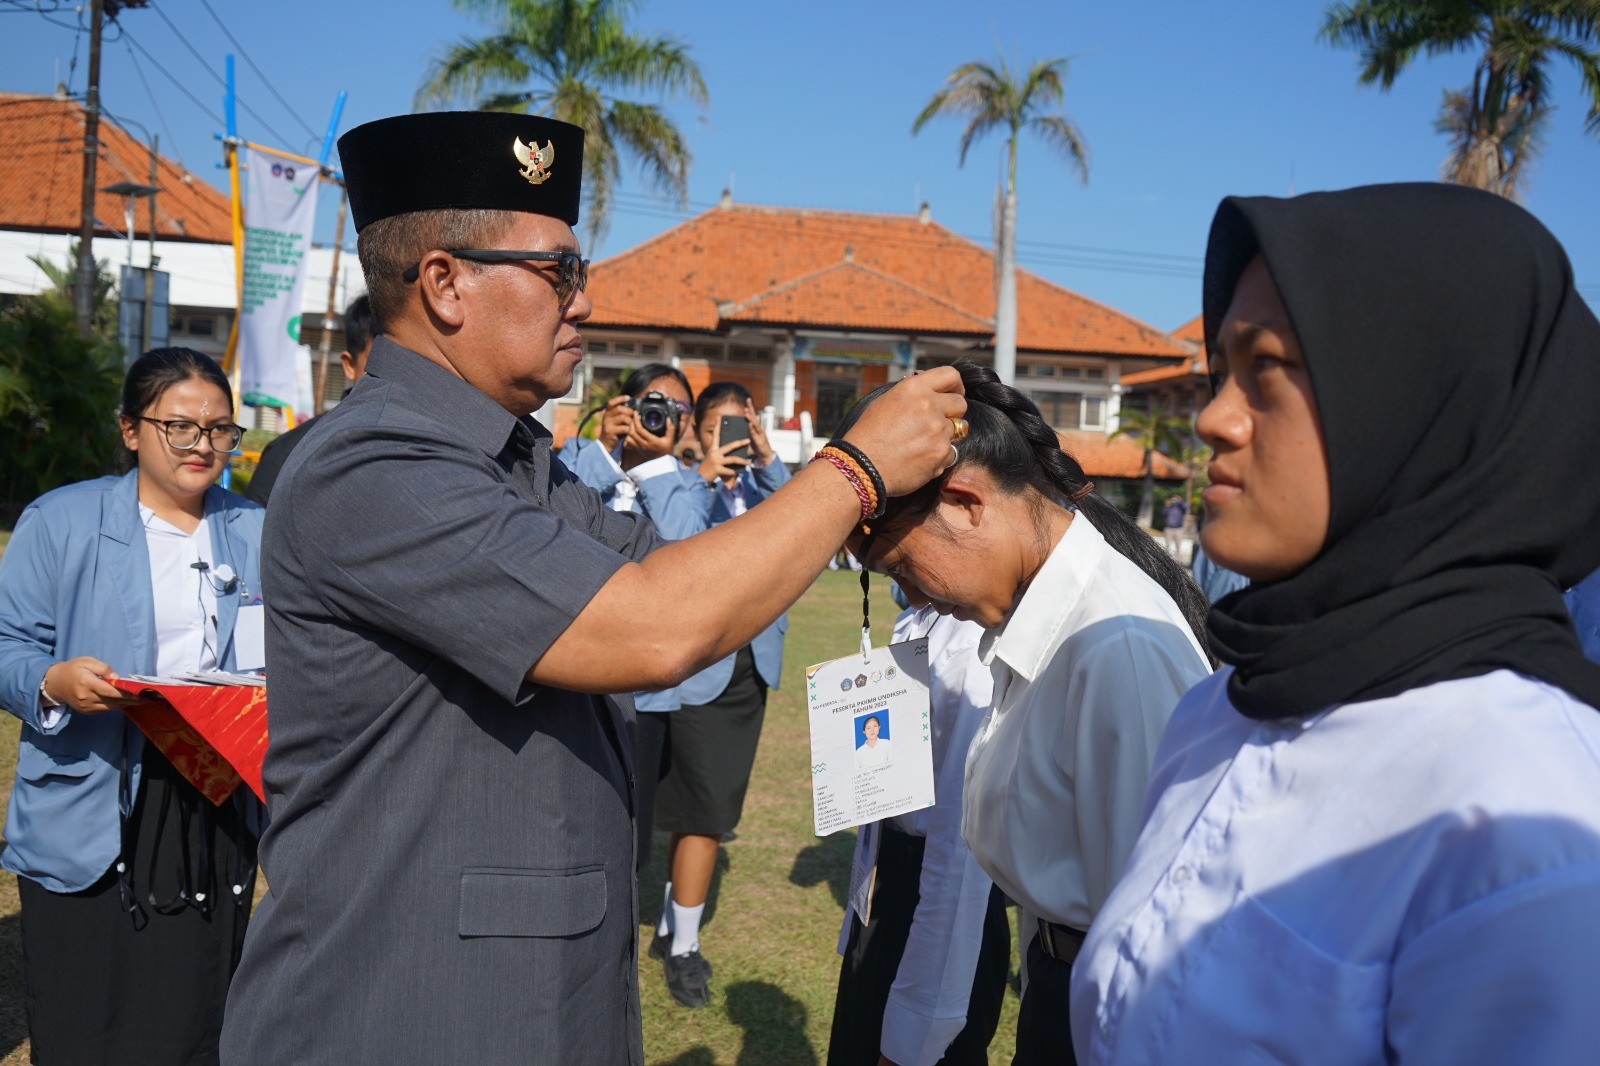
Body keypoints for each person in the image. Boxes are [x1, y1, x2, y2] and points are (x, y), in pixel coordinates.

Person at [218, 110, 965, 1066]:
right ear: (444, 283)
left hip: (539, 999)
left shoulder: (524, 460)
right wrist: (857, 467)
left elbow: (691, 572)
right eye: (558, 273)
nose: (584, 302)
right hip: (408, 1007)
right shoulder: (372, 464)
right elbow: (654, 626)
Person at [1070, 184, 1600, 1065]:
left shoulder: (1525, 815)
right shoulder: (1216, 713)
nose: (1211, 418)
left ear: (1419, 400)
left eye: (1267, 368)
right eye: (1217, 375)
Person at [840, 360, 1212, 1065]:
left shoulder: (1113, 648)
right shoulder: (1043, 621)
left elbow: (1152, 940)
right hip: (1063, 981)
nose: (915, 599)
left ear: (965, 501)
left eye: (903, 569)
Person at [0, 347, 265, 1064]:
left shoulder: (258, 530)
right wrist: (53, 682)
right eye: (179, 427)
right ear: (130, 430)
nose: (202, 445)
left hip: (211, 794)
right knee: (85, 1007)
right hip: (91, 791)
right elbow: (6, 644)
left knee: (194, 1011)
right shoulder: (61, 521)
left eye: (218, 430)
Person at [643, 380, 793, 1008]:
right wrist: (702, 471)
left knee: (712, 808)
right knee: (702, 811)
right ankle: (683, 948)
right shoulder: (673, 480)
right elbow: (676, 536)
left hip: (750, 669)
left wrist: (766, 455)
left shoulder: (761, 487)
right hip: (698, 666)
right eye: (715, 429)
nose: (726, 439)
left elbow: (804, 522)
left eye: (740, 426)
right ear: (693, 429)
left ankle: (675, 928)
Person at [828, 605, 1009, 1066]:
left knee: (921, 1048)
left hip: (941, 889)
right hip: (888, 876)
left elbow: (958, 845)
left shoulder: (974, 645)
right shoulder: (916, 617)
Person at [560, 363, 710, 879]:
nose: (659, 415)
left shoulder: (691, 485)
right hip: (571, 669)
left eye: (675, 410)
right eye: (649, 403)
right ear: (620, 407)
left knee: (629, 828)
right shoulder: (582, 460)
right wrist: (605, 454)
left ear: (687, 424)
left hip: (645, 690)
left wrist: (656, 468)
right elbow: (550, 517)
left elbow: (687, 549)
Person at [245, 293, 376, 505]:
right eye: (380, 362)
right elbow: (254, 532)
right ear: (348, 365)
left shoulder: (441, 447)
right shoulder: (289, 456)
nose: (397, 374)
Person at [1160, 493, 1186, 558]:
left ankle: (1178, 562)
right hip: (1168, 529)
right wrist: (1167, 506)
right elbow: (1163, 514)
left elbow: (1185, 508)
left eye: (1176, 499)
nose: (1174, 500)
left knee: (1178, 546)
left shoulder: (1180, 507)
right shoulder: (1168, 507)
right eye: (1173, 499)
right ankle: (1166, 560)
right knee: (1167, 546)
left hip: (1179, 529)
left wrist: (1180, 501)